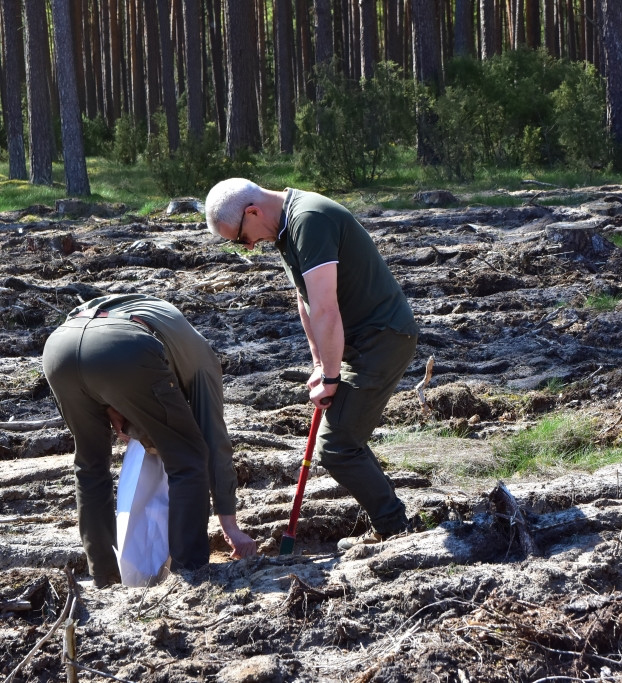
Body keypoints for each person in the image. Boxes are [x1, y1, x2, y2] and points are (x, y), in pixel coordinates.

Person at [204, 178, 420, 550]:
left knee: (337, 446)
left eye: (241, 238)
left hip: (382, 339)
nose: (249, 246)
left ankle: (396, 529)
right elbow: (304, 301)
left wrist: (333, 376)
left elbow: (325, 306)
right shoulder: (286, 229)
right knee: (345, 438)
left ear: (253, 212)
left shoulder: (309, 220)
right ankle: (393, 519)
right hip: (358, 342)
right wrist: (320, 362)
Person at [42, 293, 257, 586]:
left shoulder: (171, 337)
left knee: (90, 465)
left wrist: (109, 404)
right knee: (190, 458)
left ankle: (104, 577)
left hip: (59, 347)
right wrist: (229, 524)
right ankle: (190, 575)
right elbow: (213, 439)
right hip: (124, 348)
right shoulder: (203, 364)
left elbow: (91, 360)